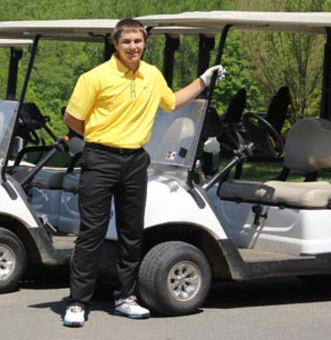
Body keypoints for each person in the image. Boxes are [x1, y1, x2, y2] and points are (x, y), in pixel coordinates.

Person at [61, 18, 225, 327]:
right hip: (100, 157)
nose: (133, 47)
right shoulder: (95, 77)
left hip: (136, 159)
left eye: (138, 41)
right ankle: (77, 302)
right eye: (127, 42)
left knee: (132, 233)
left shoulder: (151, 75)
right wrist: (98, 137)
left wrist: (203, 80)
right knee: (91, 233)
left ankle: (126, 297)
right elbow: (73, 118)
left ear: (144, 43)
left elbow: (172, 102)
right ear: (116, 44)